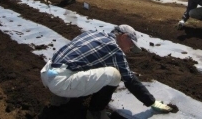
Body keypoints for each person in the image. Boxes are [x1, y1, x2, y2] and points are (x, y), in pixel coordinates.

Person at [41, 24, 172, 119]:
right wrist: (151, 101)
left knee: (86, 66)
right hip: (61, 83)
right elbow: (129, 80)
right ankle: (96, 113)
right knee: (114, 75)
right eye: (131, 45)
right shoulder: (114, 49)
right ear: (124, 37)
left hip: (47, 72)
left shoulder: (93, 33)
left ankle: (60, 101)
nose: (130, 49)